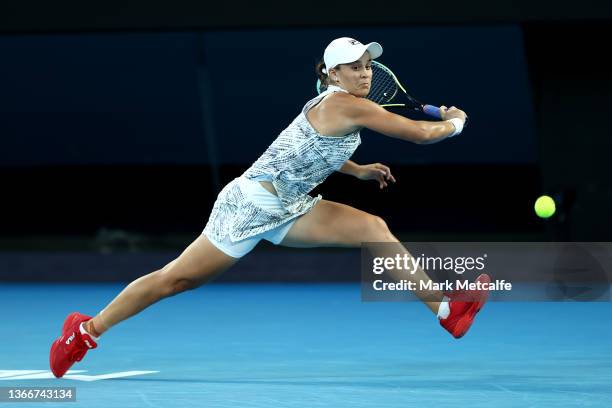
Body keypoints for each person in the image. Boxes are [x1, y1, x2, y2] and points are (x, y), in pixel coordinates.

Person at [50, 37, 489, 378]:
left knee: (373, 228)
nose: (364, 74)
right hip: (248, 206)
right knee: (176, 280)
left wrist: (358, 172)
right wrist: (455, 121)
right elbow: (420, 134)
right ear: (333, 73)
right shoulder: (344, 104)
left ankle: (446, 312)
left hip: (292, 205)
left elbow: (314, 150)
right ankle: (85, 331)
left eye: (368, 66)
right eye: (354, 68)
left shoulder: (341, 105)